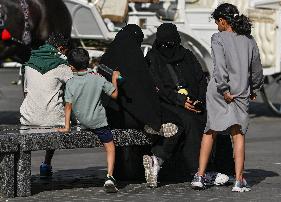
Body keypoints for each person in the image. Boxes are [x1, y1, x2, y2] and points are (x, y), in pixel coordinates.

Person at [191, 3, 264, 192]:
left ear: (222, 21)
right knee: (238, 134)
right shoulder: (249, 40)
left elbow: (220, 67)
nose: (217, 26)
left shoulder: (218, 38)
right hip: (241, 91)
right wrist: (254, 87)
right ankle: (239, 180)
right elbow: (256, 68)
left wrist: (224, 89)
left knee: (210, 131)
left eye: (217, 22)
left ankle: (200, 175)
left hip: (219, 91)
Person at [142, 23, 211, 188]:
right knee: (188, 121)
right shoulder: (153, 58)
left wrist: (198, 100)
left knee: (208, 120)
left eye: (171, 44)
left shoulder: (186, 55)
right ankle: (196, 169)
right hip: (167, 103)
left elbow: (201, 79)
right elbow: (156, 86)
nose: (168, 48)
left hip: (192, 102)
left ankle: (208, 167)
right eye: (165, 44)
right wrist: (180, 101)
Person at [57, 48, 120, 193]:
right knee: (110, 147)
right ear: (88, 62)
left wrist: (67, 127)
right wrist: (114, 79)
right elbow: (115, 94)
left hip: (82, 122)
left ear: (71, 66)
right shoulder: (97, 78)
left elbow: (68, 107)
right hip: (99, 123)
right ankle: (110, 176)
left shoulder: (71, 83)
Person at [99, 24, 177, 136]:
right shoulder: (135, 61)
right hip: (126, 118)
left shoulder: (106, 58)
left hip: (105, 114)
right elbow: (141, 95)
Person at [19, 32, 73, 178]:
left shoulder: (29, 62)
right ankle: (46, 163)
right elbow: (76, 86)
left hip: (28, 119)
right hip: (54, 121)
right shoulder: (62, 65)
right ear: (61, 48)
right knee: (57, 113)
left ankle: (22, 169)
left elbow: (25, 92)